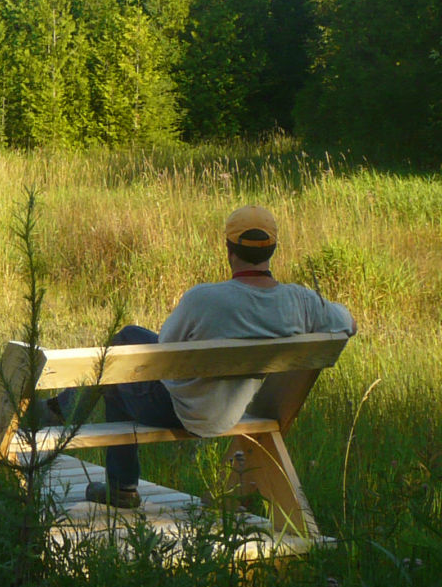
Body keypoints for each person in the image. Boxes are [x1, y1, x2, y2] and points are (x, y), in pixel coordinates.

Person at [47, 205, 357, 509]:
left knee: (121, 354)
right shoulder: (300, 301)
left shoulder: (204, 298)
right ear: (273, 248)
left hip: (181, 410)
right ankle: (69, 417)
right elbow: (349, 323)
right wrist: (321, 305)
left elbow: (163, 351)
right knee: (127, 342)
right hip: (232, 412)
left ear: (228, 248)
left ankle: (100, 459)